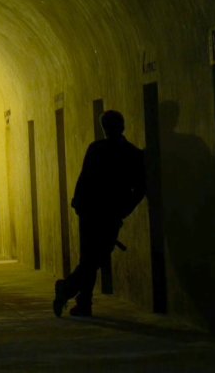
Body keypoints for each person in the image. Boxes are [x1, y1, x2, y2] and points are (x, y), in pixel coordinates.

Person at [53, 110, 146, 317]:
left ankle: (68, 290)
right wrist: (125, 209)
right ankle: (81, 300)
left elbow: (85, 178)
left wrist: (79, 202)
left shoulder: (99, 149)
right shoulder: (130, 153)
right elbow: (139, 188)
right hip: (104, 212)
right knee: (93, 258)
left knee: (91, 259)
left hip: (95, 211)